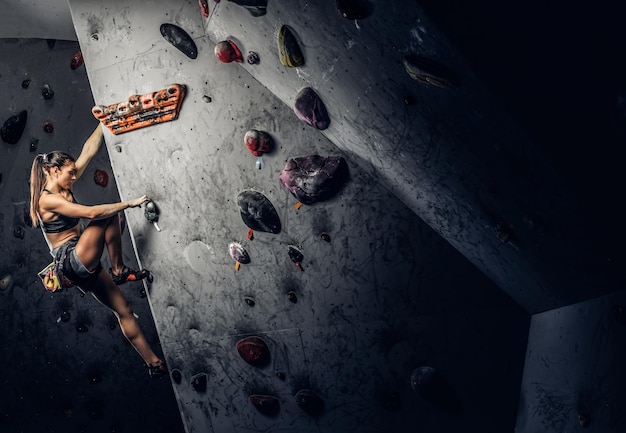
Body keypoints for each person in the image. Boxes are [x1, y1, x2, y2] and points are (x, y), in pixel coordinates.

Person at [29, 124, 167, 379]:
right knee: (108, 214)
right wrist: (130, 203)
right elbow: (92, 213)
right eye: (70, 173)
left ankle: (154, 364)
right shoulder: (46, 199)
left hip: (83, 263)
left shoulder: (64, 181)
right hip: (70, 260)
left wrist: (102, 122)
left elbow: (89, 151)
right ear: (54, 170)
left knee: (123, 308)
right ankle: (118, 269)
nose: (74, 177)